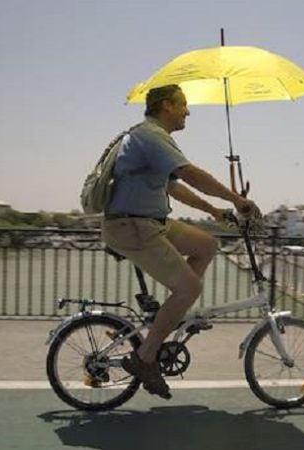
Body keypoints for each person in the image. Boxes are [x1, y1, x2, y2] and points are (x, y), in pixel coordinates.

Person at [101, 84, 259, 399]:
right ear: (167, 106)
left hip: (150, 223)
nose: (188, 111)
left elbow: (175, 188)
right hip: (133, 226)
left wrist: (215, 210)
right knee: (190, 288)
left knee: (207, 245)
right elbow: (191, 175)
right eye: (183, 104)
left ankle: (170, 317)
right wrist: (237, 199)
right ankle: (145, 357)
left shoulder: (152, 140)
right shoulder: (151, 136)